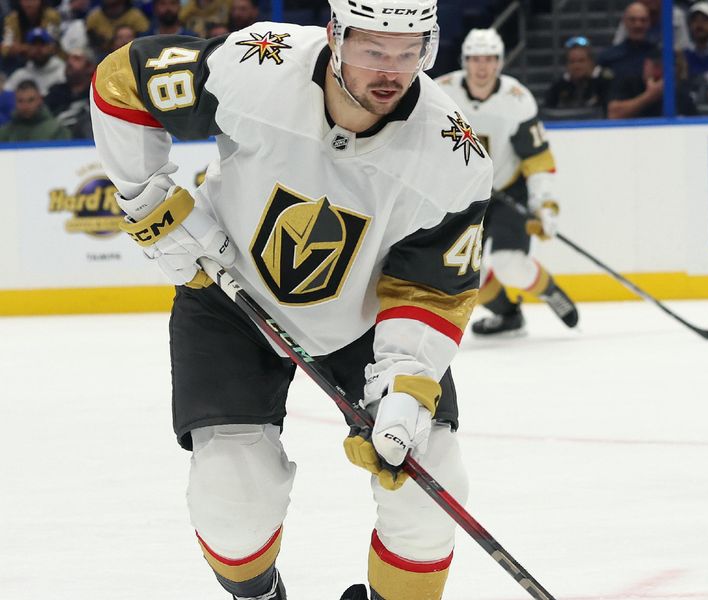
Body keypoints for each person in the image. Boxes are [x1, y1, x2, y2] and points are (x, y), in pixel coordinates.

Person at [89, 1, 492, 599]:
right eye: (373, 50)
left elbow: (433, 289)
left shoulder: (452, 152)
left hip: (366, 322)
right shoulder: (258, 64)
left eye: (410, 52)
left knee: (432, 486)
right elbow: (122, 82)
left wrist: (406, 385)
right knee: (231, 497)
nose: (392, 70)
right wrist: (147, 198)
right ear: (335, 36)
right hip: (227, 293)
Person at [436, 28, 578, 336]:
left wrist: (544, 204)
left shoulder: (517, 99)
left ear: (500, 62)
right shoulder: (441, 92)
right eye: (475, 59)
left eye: (489, 59)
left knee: (508, 263)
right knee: (459, 268)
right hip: (461, 195)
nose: (482, 67)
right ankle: (508, 315)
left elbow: (537, 157)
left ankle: (549, 290)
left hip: (506, 191)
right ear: (465, 61)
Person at [608, 44, 697, 118]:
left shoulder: (679, 93)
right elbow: (613, 115)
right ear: (645, 65)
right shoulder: (629, 83)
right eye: (656, 66)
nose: (658, 72)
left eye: (664, 67)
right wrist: (649, 96)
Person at [544, 36, 612, 114]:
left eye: (581, 61)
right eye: (572, 61)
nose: (576, 66)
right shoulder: (559, 86)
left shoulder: (605, 81)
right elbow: (547, 111)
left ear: (591, 62)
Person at [599, 2, 657, 84]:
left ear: (649, 23)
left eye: (643, 20)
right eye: (633, 20)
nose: (638, 25)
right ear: (625, 22)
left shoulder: (658, 56)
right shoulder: (608, 58)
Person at [0, 79, 71, 141]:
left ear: (40, 100)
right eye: (20, 101)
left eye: (31, 100)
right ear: (15, 102)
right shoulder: (4, 132)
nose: (25, 106)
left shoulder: (57, 130)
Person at [3, 28, 65, 95]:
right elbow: (5, 97)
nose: (38, 49)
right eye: (34, 45)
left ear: (51, 48)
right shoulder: (20, 75)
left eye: (42, 45)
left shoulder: (63, 72)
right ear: (27, 48)